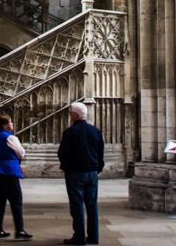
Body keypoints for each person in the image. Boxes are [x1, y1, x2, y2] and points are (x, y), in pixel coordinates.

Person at [58, 101, 104, 246]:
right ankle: (93, 237)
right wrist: (98, 168)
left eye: (70, 113)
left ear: (75, 115)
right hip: (92, 172)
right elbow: (100, 152)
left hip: (75, 173)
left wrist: (66, 167)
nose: (70, 115)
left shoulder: (70, 132)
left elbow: (62, 153)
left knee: (77, 205)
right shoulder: (95, 130)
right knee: (92, 205)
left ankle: (79, 237)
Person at [0, 112, 33, 240]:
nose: (11, 124)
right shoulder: (11, 138)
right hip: (9, 172)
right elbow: (21, 153)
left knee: (0, 201)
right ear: (5, 125)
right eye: (10, 122)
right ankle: (20, 230)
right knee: (16, 201)